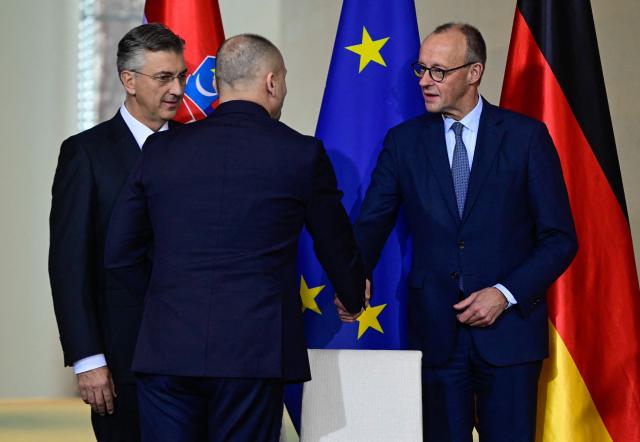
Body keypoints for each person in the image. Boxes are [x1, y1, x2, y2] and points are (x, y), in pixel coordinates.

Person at [104, 33, 366, 442]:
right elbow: (335, 242)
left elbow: (119, 254)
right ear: (272, 81)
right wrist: (352, 296)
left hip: (168, 349)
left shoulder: (160, 149)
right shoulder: (300, 153)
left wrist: (165, 305)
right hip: (253, 355)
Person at [339, 23, 578, 441]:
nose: (424, 81)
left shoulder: (525, 138)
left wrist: (503, 293)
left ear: (474, 71)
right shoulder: (403, 143)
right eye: (421, 69)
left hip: (509, 339)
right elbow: (372, 224)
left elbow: (560, 238)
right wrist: (351, 275)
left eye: (438, 71)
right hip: (436, 334)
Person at [48, 23, 186, 442]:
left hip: (195, 357)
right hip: (122, 362)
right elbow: (69, 263)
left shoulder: (198, 147)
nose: (178, 89)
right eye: (164, 77)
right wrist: (87, 358)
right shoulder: (85, 153)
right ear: (129, 80)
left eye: (181, 75)